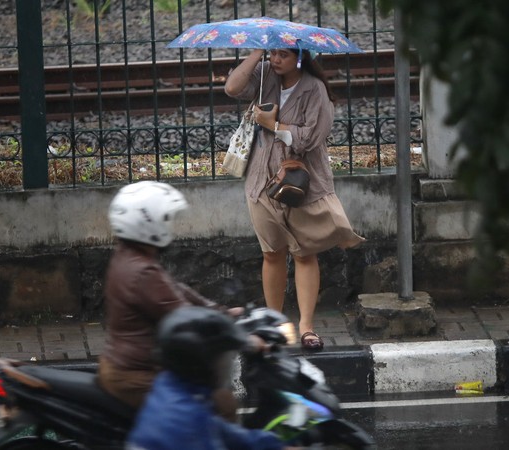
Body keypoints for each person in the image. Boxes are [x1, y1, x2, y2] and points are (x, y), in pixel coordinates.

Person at [224, 47, 364, 350]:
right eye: (273, 53)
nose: (276, 60)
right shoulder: (264, 75)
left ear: (300, 58)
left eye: (283, 55)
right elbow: (232, 87)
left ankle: (306, 327)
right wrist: (256, 52)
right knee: (272, 253)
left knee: (304, 253)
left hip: (301, 183)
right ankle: (275, 327)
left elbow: (312, 138)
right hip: (261, 181)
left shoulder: (315, 90)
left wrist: (273, 125)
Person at [96, 181, 238, 418]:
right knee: (220, 403)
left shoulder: (128, 257)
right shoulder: (143, 272)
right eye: (165, 219)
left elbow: (175, 289)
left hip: (122, 367)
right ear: (148, 224)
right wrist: (231, 331)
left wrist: (218, 310)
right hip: (136, 375)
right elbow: (184, 317)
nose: (169, 225)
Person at [125, 306, 301, 450]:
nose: (228, 366)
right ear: (201, 364)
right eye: (223, 359)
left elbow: (222, 431)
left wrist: (274, 444)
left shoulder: (174, 389)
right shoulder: (186, 420)